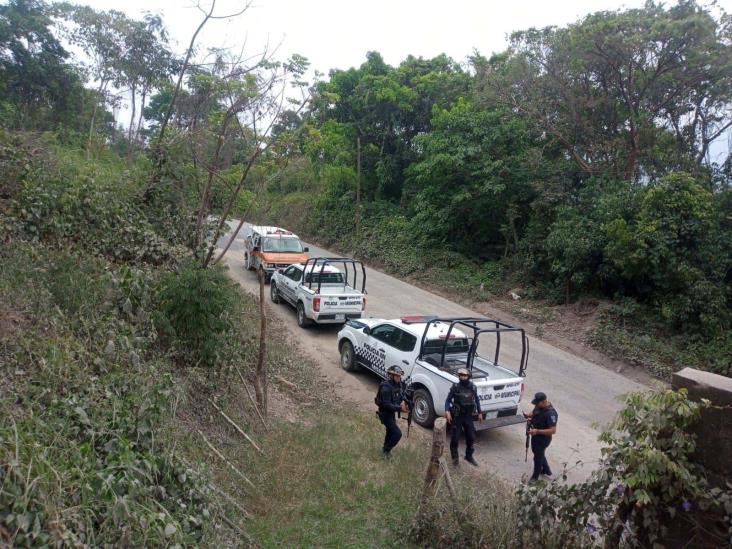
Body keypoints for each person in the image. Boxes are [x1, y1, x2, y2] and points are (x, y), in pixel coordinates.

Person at [444, 368, 484, 466]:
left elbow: (477, 400)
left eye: (464, 375)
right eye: (461, 375)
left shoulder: (472, 387)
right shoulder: (455, 387)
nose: (462, 377)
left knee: (471, 437)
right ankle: (455, 459)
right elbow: (448, 400)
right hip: (458, 417)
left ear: (468, 376)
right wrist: (447, 411)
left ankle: (469, 456)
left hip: (468, 416)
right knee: (455, 439)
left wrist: (479, 412)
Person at [523, 391, 558, 482]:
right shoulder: (539, 405)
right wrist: (528, 415)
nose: (536, 405)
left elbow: (553, 430)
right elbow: (535, 412)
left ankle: (535, 477)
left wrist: (537, 431)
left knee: (537, 457)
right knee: (539, 453)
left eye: (537, 403)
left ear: (543, 402)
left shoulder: (551, 413)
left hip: (543, 438)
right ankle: (547, 470)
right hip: (535, 434)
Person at [376, 365, 409, 458]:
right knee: (397, 434)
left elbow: (402, 395)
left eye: (399, 376)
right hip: (385, 414)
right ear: (391, 376)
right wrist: (400, 408)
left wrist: (404, 401)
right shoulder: (385, 388)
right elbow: (387, 405)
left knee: (390, 432)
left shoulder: (398, 384)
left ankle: (385, 449)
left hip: (391, 414)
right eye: (397, 376)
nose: (399, 378)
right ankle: (386, 450)